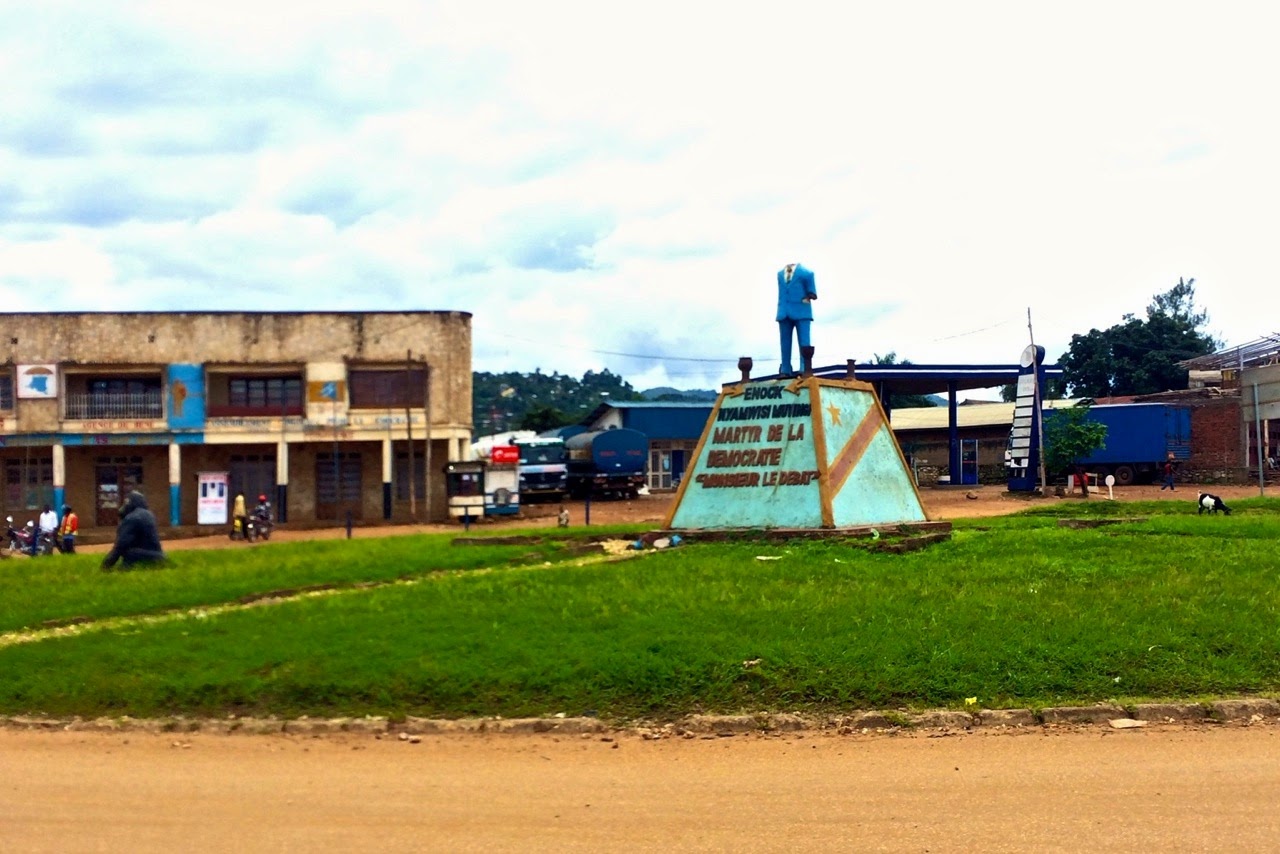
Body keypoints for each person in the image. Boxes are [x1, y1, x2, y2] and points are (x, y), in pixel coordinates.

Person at [101, 491, 167, 571]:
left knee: (128, 552)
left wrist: (106, 565)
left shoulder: (132, 518)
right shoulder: (149, 514)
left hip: (147, 557)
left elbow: (121, 545)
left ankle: (126, 569)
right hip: (159, 556)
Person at [776, 262, 817, 375]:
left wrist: (810, 294)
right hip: (784, 311)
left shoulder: (805, 273)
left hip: (802, 310)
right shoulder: (779, 274)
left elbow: (812, 286)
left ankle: (804, 367)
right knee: (784, 342)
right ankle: (785, 368)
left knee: (804, 341)